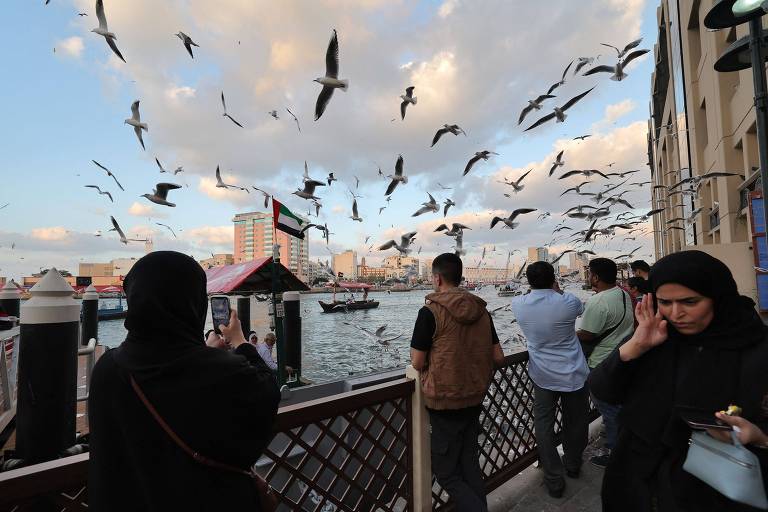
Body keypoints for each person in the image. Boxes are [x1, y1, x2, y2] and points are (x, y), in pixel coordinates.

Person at [89, 251, 280, 511]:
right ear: (195, 303)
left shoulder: (107, 368)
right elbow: (267, 398)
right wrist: (241, 343)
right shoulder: (226, 372)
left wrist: (206, 353)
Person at [588, 250, 768, 511]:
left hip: (713, 490)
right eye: (665, 302)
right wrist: (635, 347)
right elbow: (603, 390)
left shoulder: (757, 347)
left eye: (690, 302)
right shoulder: (658, 337)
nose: (676, 314)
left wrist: (759, 436)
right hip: (636, 481)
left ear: (718, 298)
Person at [410, 253, 506, 512]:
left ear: (437, 278)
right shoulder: (482, 311)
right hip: (475, 396)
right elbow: (498, 356)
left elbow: (417, 363)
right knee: (470, 464)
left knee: (446, 473)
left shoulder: (430, 312)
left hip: (443, 401)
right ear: (460, 276)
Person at [511, 261, 590, 498]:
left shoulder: (518, 304)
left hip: (542, 374)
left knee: (543, 425)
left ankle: (553, 478)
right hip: (573, 372)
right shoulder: (568, 301)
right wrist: (558, 290)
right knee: (575, 421)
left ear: (528, 280)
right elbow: (579, 310)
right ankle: (573, 464)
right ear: (553, 278)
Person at [577, 257, 634, 468]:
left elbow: (588, 334)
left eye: (589, 273)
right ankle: (626, 445)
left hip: (602, 363)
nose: (588, 277)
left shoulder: (598, 301)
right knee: (620, 406)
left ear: (596, 277)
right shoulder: (623, 293)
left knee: (609, 411)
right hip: (623, 357)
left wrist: (571, 333)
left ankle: (616, 454)